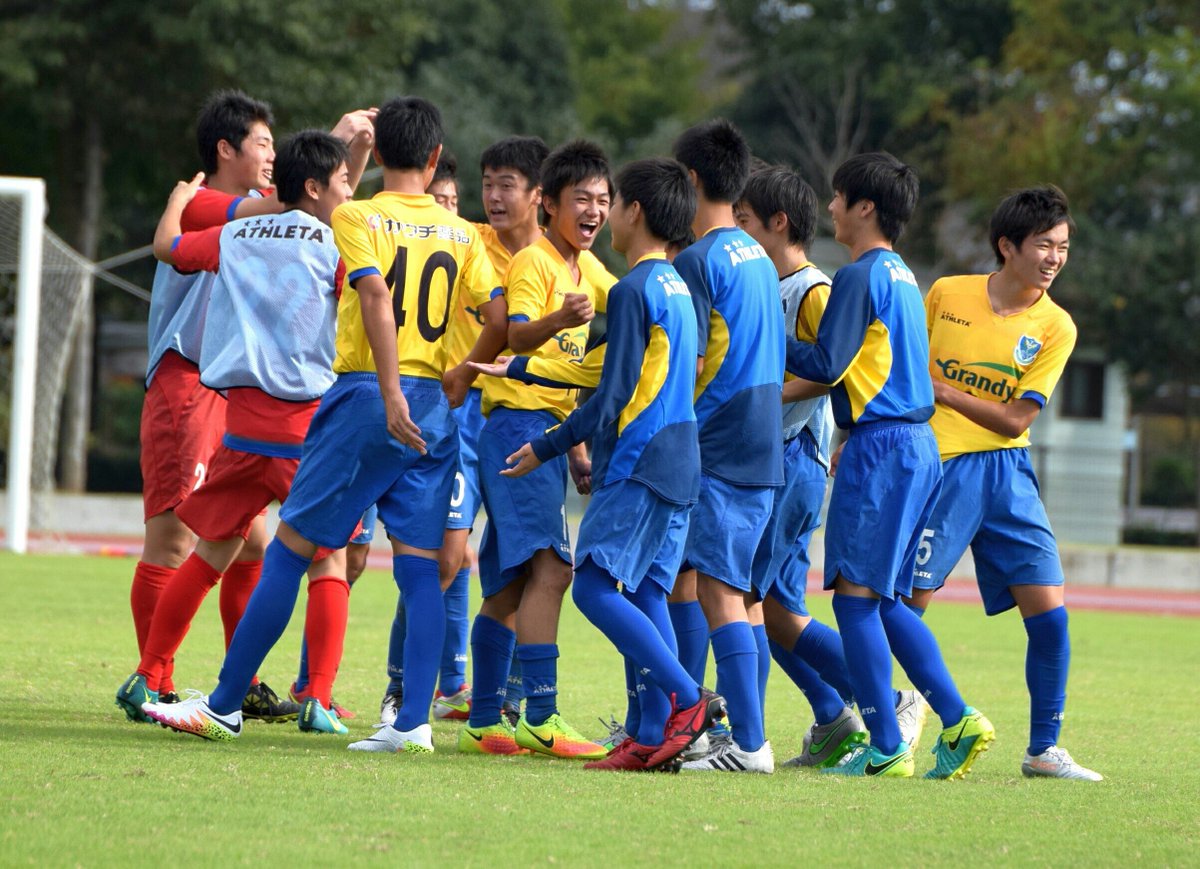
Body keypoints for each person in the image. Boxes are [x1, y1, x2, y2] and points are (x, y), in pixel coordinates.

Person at [141, 96, 498, 754]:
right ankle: (408, 720)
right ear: (437, 158)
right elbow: (495, 313)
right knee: (418, 571)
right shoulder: (463, 231)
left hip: (356, 397)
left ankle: (219, 702)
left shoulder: (356, 218)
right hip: (436, 405)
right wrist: (467, 375)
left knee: (290, 550)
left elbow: (373, 295)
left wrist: (387, 391)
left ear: (381, 156)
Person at [127, 89, 375, 721]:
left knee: (226, 548)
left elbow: (169, 249)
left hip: (243, 425)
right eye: (261, 141)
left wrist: (174, 208)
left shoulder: (236, 232)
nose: (268, 153)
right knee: (322, 558)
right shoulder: (316, 241)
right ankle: (315, 694)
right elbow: (370, 299)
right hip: (291, 424)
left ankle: (162, 674)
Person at [480, 157, 727, 771]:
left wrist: (547, 445)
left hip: (640, 462)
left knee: (591, 585)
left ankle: (690, 702)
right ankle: (651, 738)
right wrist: (520, 368)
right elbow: (612, 369)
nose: (604, 214)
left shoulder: (631, 288)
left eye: (611, 202)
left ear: (634, 212)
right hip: (681, 460)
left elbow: (612, 396)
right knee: (644, 592)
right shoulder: (677, 287)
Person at [783, 151, 994, 779]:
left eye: (838, 197)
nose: (830, 209)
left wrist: (756, 326)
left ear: (864, 207)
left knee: (853, 601)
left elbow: (825, 364)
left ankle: (885, 745)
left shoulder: (857, 275)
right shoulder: (904, 274)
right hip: (914, 444)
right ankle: (957, 720)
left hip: (883, 449)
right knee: (889, 600)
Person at [908, 185, 1101, 781]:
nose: (1054, 258)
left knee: (1051, 616)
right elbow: (902, 371)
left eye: (1063, 247)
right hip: (941, 470)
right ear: (1007, 246)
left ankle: (1044, 749)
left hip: (1009, 475)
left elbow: (1018, 417)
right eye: (1044, 245)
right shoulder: (946, 294)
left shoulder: (1055, 327)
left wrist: (944, 390)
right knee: (904, 610)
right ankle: (898, 715)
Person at [376, 136, 551, 728]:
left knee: (532, 566)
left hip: (519, 426)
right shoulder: (466, 239)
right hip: (458, 414)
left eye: (508, 186)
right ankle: (403, 691)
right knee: (446, 559)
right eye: (490, 185)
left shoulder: (559, 263)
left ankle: (508, 703)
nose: (494, 198)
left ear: (538, 197)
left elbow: (571, 354)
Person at [460, 139, 614, 759]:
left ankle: (483, 720)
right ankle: (541, 716)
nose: (595, 210)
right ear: (549, 204)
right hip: (516, 427)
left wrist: (575, 448)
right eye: (583, 198)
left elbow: (630, 304)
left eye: (604, 200)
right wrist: (557, 320)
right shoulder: (534, 261)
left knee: (509, 589)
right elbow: (515, 334)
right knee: (553, 569)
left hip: (544, 434)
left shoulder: (591, 269)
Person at [733, 165, 869, 768]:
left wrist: (761, 393)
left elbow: (829, 369)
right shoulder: (769, 284)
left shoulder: (811, 289)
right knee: (782, 615)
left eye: (743, 223)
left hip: (793, 460)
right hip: (783, 459)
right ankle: (835, 716)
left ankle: (748, 737)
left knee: (746, 602)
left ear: (778, 224)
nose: (735, 234)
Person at [667, 120, 784, 774]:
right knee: (721, 588)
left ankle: (749, 742)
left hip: (720, 441)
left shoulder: (699, 259)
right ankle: (702, 725)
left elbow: (697, 363)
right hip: (762, 438)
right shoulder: (756, 255)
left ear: (689, 180)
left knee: (717, 589)